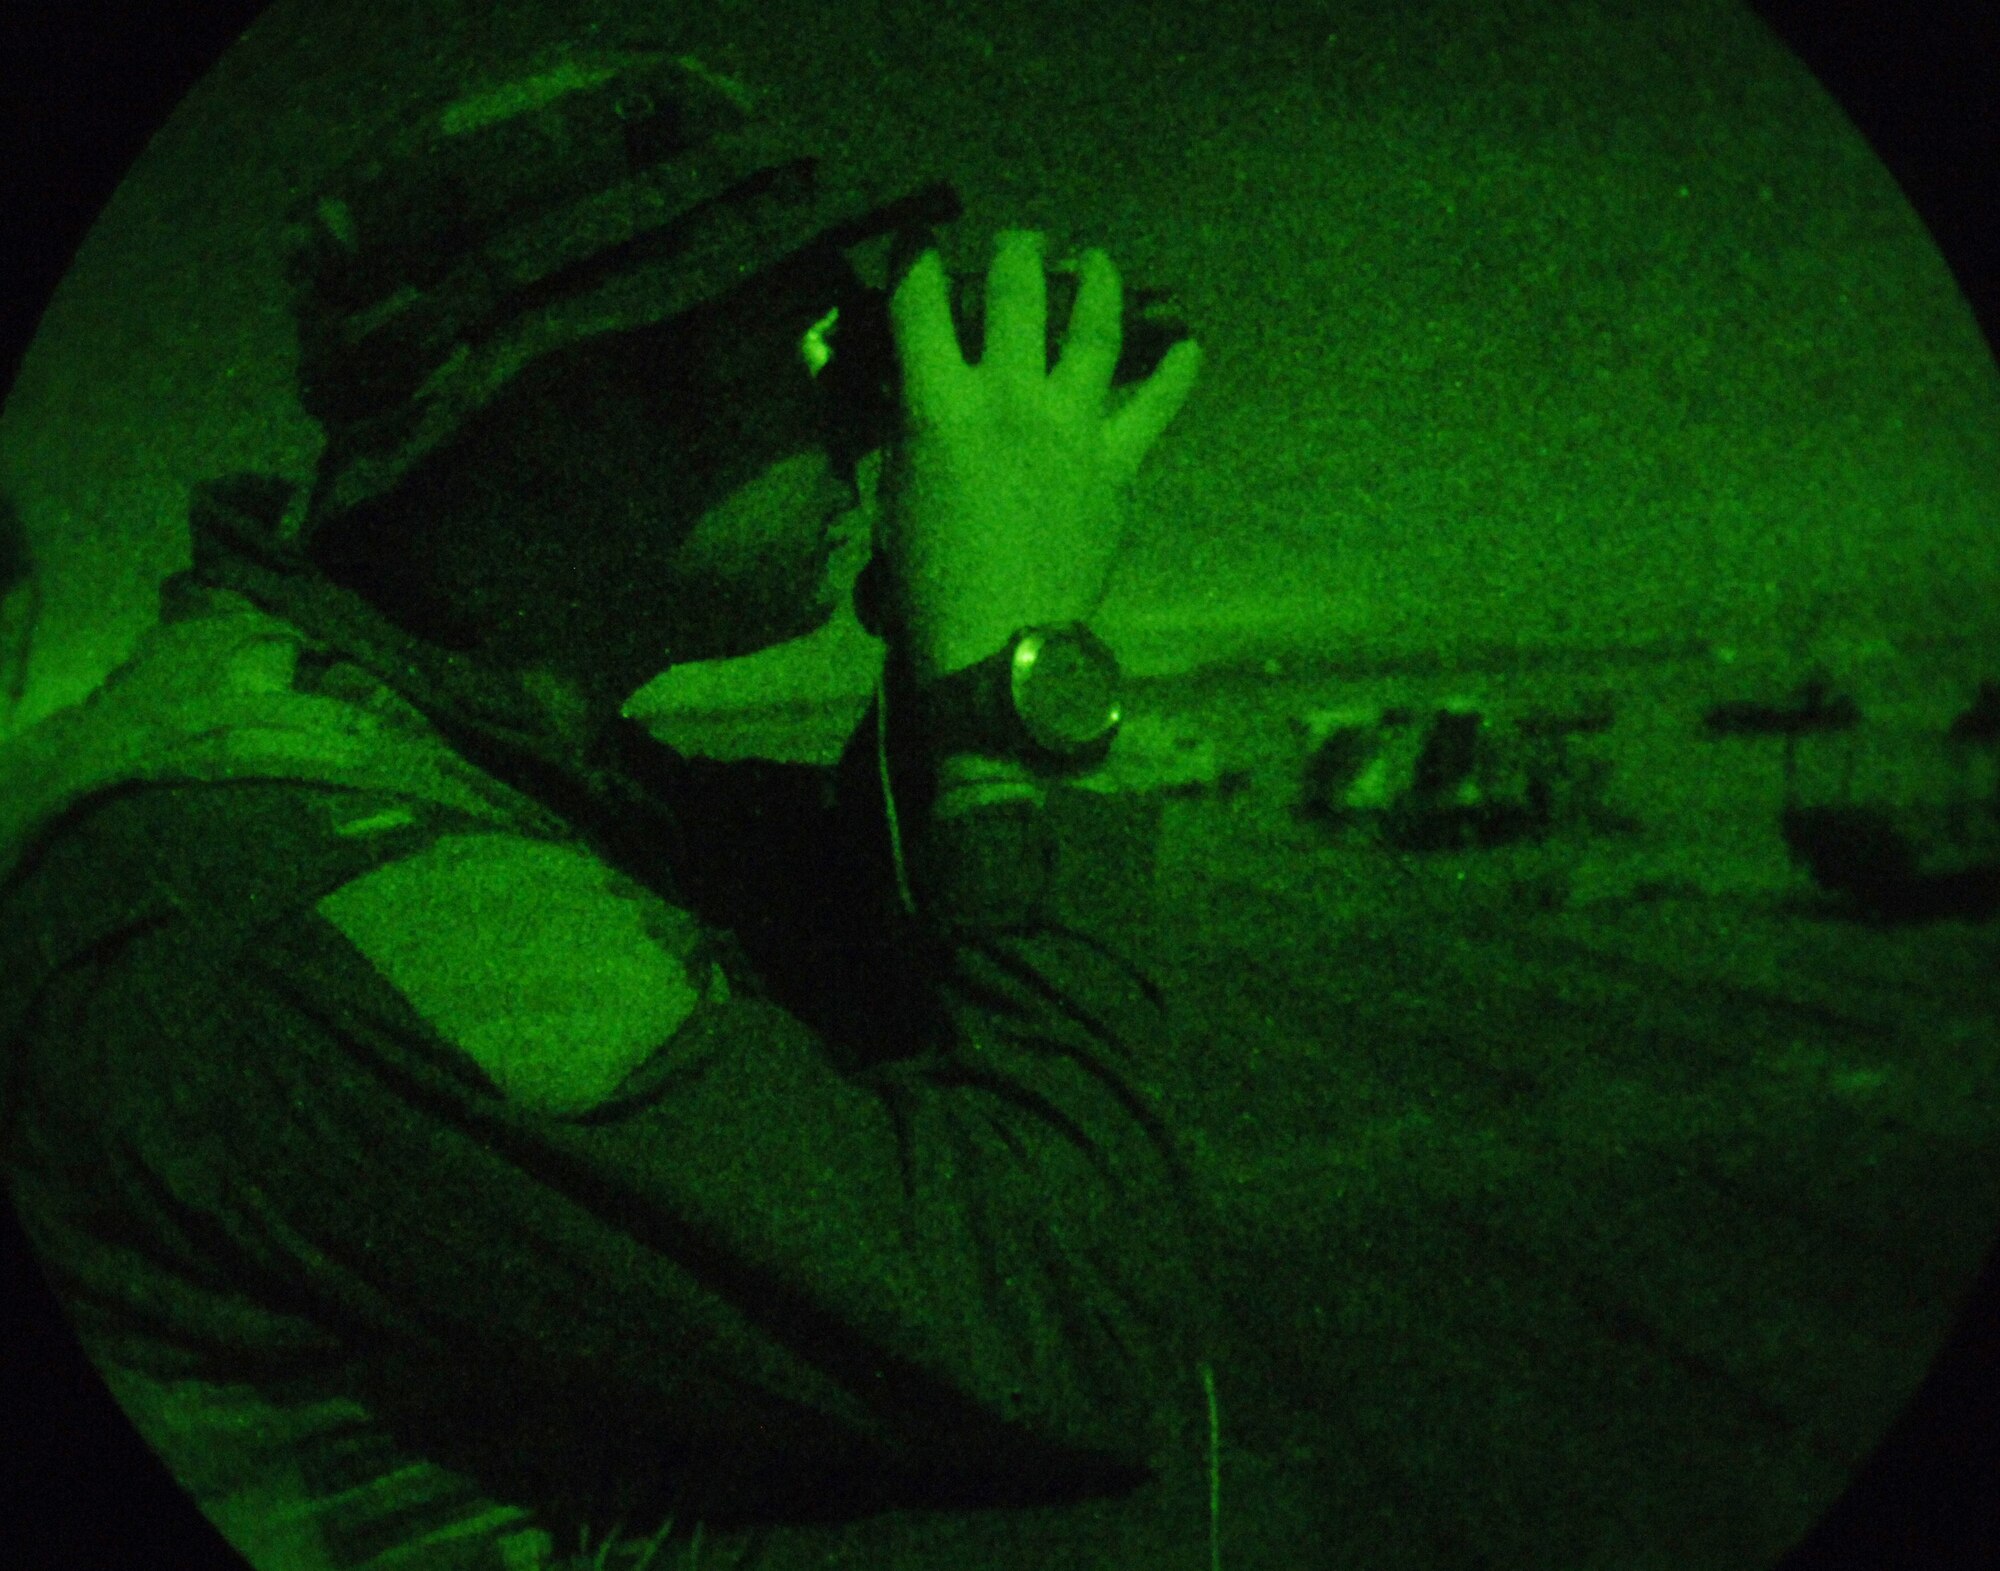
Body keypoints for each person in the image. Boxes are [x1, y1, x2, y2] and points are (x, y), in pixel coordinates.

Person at [0, 46, 1219, 1571]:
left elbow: (854, 969)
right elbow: (1063, 1334)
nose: (871, 421)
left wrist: (936, 632)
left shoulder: (459, 752)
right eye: (821, 347)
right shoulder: (285, 890)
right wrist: (1016, 682)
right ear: (575, 390)